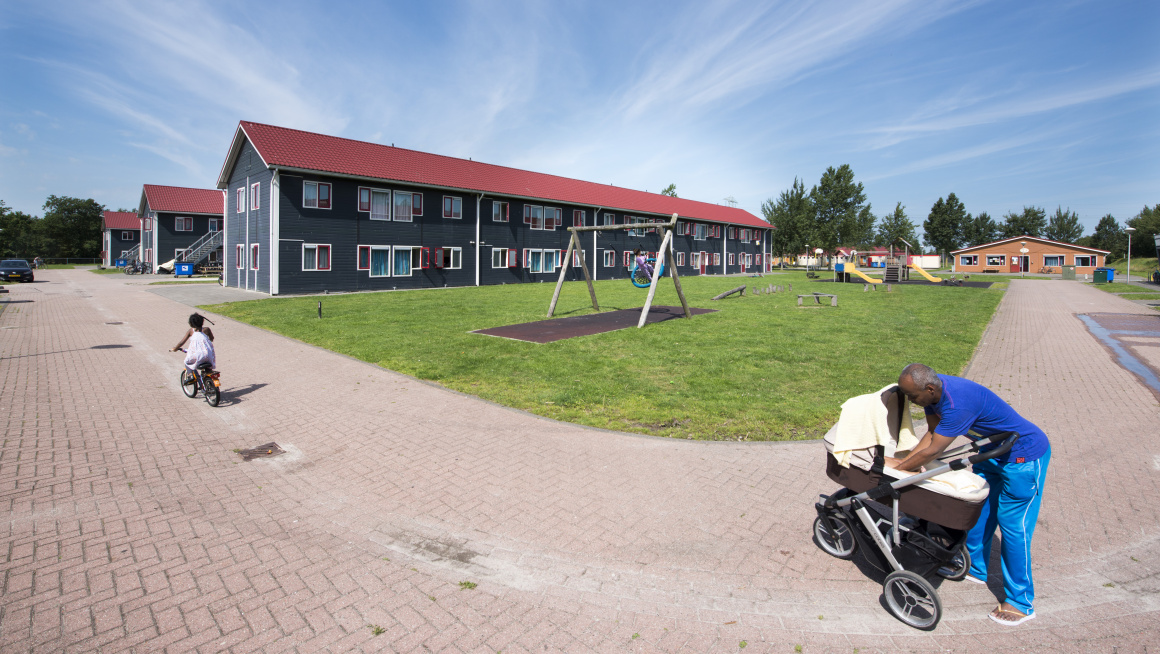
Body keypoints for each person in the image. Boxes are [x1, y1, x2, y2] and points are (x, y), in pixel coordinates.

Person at [886, 363, 1050, 627]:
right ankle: (976, 568)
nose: (912, 402)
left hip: (1023, 457)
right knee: (977, 513)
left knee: (1013, 528)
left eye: (913, 397)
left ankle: (1021, 602)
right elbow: (930, 436)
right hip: (992, 453)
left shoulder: (956, 404)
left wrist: (898, 471)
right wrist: (905, 461)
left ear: (928, 388)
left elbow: (933, 451)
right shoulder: (932, 395)